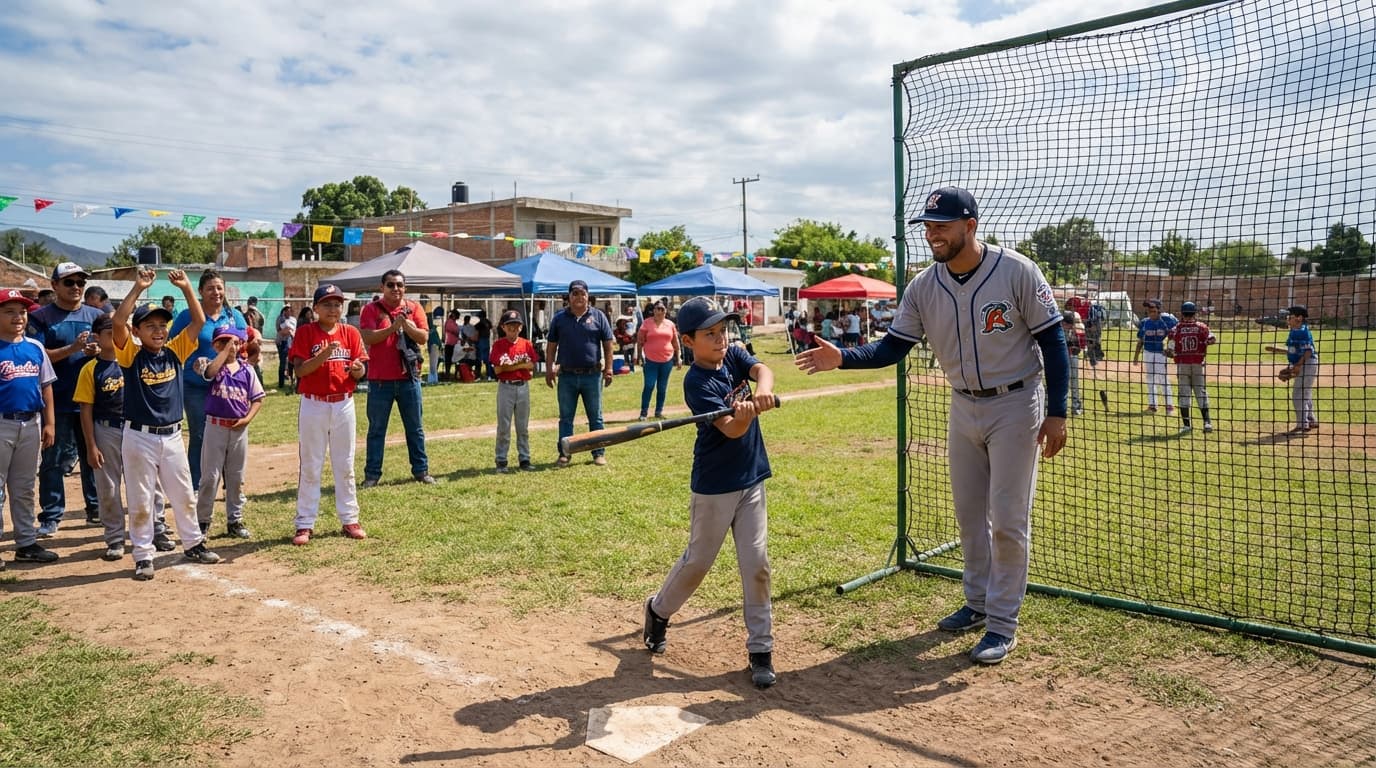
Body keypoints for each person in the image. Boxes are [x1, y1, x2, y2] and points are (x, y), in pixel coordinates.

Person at [794, 186, 1068, 665]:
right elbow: (890, 348)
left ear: (970, 225)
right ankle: (978, 603)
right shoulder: (923, 286)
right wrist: (844, 358)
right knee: (968, 516)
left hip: (1016, 402)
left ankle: (1003, 624)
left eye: (942, 224)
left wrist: (1058, 411)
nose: (933, 233)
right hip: (962, 405)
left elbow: (1054, 341)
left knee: (1008, 519)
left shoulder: (1017, 271)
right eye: (928, 225)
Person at [643, 297, 779, 688]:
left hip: (751, 478)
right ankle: (658, 610)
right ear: (688, 340)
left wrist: (762, 393)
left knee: (756, 565)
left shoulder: (733, 355)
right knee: (697, 564)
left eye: (723, 331)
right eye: (710, 334)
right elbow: (732, 429)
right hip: (715, 486)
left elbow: (762, 369)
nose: (720, 340)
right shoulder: (696, 382)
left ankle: (761, 649)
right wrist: (746, 413)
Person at [112, 268, 222, 580]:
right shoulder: (130, 354)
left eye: (162, 325)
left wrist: (188, 287)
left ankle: (193, 542)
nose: (158, 330)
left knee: (184, 493)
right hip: (139, 436)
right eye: (150, 326)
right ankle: (144, 554)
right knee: (141, 497)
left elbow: (198, 323)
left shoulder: (175, 351)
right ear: (138, 331)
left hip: (172, 435)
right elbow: (118, 322)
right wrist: (138, 287)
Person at [289, 284, 369, 545]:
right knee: (311, 464)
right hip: (314, 404)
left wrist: (357, 369)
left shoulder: (350, 332)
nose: (333, 309)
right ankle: (305, 523)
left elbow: (360, 372)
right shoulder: (306, 333)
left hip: (343, 403)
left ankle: (349, 518)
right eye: (327, 304)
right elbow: (300, 371)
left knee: (345, 463)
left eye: (337, 304)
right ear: (316, 308)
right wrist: (324, 354)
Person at [28, 262, 104, 536]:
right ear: (54, 286)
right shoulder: (40, 317)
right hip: (56, 400)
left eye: (80, 283)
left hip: (92, 401)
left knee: (94, 456)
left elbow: (111, 346)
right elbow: (37, 355)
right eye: (69, 282)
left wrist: (98, 350)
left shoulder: (96, 314)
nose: (76, 288)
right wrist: (73, 348)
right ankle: (51, 514)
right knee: (53, 460)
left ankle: (96, 508)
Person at [170, 269, 248, 489]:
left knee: (229, 433)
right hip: (195, 387)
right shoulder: (188, 316)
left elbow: (243, 348)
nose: (216, 292)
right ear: (201, 292)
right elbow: (172, 346)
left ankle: (228, 482)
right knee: (200, 435)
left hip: (226, 386)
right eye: (211, 288)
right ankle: (197, 484)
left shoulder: (234, 316)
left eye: (219, 287)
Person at [0, 288, 60, 566]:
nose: (18, 317)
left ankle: (25, 543)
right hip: (2, 422)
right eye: (9, 311)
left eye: (22, 311)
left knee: (24, 487)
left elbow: (46, 387)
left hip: (31, 422)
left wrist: (49, 422)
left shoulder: (35, 347)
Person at [359, 270, 433, 486]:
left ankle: (421, 471)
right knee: (376, 430)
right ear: (382, 288)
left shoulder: (415, 308)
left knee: (415, 428)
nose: (395, 289)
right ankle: (372, 475)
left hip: (409, 379)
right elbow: (368, 337)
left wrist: (406, 324)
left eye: (399, 285)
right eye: (390, 285)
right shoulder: (371, 310)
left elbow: (423, 337)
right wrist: (393, 327)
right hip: (380, 381)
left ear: (405, 287)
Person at [194, 326, 265, 539]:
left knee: (236, 477)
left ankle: (235, 519)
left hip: (238, 428)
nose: (230, 347)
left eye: (234, 342)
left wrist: (247, 419)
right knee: (210, 476)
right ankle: (202, 521)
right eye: (224, 342)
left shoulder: (246, 369)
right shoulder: (207, 362)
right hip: (215, 425)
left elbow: (258, 398)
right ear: (215, 345)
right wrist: (224, 352)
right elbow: (209, 373)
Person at [545, 279, 614, 468]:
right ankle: (565, 454)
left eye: (582, 293)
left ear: (587, 296)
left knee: (596, 417)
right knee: (566, 418)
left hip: (592, 375)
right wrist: (550, 369)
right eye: (574, 293)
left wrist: (608, 369)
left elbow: (608, 345)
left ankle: (598, 453)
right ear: (568, 297)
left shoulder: (599, 316)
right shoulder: (559, 318)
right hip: (566, 376)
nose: (579, 297)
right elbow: (551, 347)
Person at [490, 309, 537, 472]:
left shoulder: (526, 344)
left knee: (522, 426)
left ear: (521, 327)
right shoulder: (499, 345)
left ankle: (524, 458)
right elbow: (498, 370)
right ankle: (501, 460)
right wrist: (520, 365)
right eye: (509, 326)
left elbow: (531, 365)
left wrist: (510, 366)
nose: (513, 329)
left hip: (523, 386)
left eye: (516, 326)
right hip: (506, 387)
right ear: (503, 327)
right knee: (504, 425)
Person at [1266, 304, 1319, 434]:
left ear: (1299, 318)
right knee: (1305, 392)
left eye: (1290, 316)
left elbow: (1307, 351)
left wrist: (1297, 366)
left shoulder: (1302, 331)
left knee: (1298, 394)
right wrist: (1287, 362)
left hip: (1307, 363)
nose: (1287, 318)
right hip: (1306, 363)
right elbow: (1296, 351)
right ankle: (1311, 419)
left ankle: (1302, 424)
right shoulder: (1296, 330)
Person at [1166, 301, 1217, 433]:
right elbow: (1212, 339)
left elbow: (1170, 350)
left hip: (1182, 365)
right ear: (1195, 313)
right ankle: (1207, 423)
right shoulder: (1202, 327)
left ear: (1182, 313)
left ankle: (1187, 425)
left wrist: (1171, 352)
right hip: (1198, 364)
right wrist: (1203, 342)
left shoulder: (1176, 328)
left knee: (1184, 394)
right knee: (1201, 393)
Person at [636, 301, 682, 420]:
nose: (660, 311)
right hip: (650, 360)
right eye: (658, 309)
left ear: (665, 311)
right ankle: (643, 412)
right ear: (654, 310)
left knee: (662, 387)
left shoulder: (670, 324)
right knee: (649, 385)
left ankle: (659, 411)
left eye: (662, 309)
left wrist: (679, 357)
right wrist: (639, 357)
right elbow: (640, 341)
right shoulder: (646, 323)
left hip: (667, 360)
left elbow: (676, 342)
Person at [1131, 299, 1176, 414]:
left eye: (1153, 310)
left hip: (1161, 354)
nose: (1151, 313)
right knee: (1150, 379)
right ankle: (1153, 405)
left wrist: (1171, 348)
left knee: (1163, 379)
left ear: (1159, 310)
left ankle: (1169, 405)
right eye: (1149, 311)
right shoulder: (1145, 322)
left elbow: (1175, 334)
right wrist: (1136, 357)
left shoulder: (1168, 320)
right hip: (1148, 353)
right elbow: (1141, 340)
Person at [1062, 311, 1085, 416]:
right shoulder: (1058, 330)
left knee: (1074, 382)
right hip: (1061, 358)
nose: (1070, 326)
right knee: (1062, 384)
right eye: (1068, 324)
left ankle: (1076, 407)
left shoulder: (1077, 330)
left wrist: (1075, 347)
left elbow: (1081, 346)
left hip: (1072, 357)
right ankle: (1062, 407)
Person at [276, 304, 297, 391]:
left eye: (289, 310)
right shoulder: (280, 319)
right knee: (283, 362)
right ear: (283, 311)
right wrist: (288, 331)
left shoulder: (293, 320)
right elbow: (280, 331)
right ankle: (281, 383)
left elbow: (293, 330)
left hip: (291, 342)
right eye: (286, 310)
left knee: (292, 363)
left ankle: (292, 381)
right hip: (282, 342)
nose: (288, 311)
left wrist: (290, 331)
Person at [474, 310, 495, 382]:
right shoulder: (488, 322)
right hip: (487, 341)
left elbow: (476, 332)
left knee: (479, 359)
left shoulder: (479, 324)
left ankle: (478, 376)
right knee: (487, 360)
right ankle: (489, 375)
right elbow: (491, 327)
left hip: (481, 341)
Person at [426, 307, 443, 385]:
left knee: (433, 364)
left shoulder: (432, 329)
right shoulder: (430, 330)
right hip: (433, 346)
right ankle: (432, 380)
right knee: (433, 364)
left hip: (434, 345)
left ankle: (433, 379)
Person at [443, 310, 460, 381]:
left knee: (456, 359)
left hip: (454, 344)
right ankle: (447, 375)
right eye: (456, 316)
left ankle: (456, 374)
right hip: (449, 343)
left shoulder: (454, 322)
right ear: (453, 315)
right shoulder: (449, 322)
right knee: (448, 360)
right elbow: (455, 331)